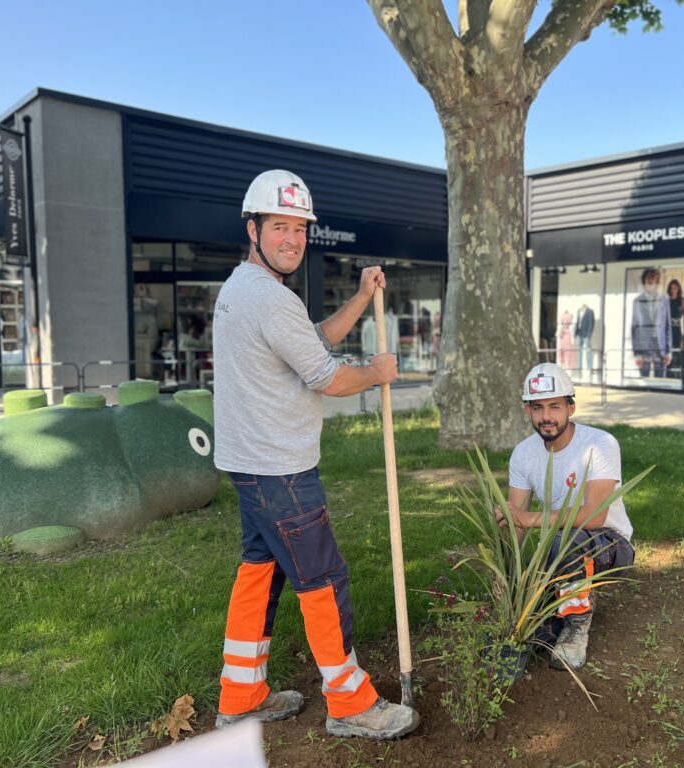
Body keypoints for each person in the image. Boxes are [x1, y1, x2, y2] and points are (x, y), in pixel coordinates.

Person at [212, 169, 419, 740]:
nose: (293, 239)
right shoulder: (268, 300)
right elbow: (326, 376)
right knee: (322, 578)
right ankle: (350, 702)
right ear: (253, 229)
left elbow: (315, 338)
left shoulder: (242, 291)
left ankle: (241, 693)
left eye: (300, 229)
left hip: (250, 465)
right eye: (280, 227)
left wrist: (359, 297)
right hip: (280, 468)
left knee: (259, 574)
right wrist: (377, 372)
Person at [497, 362, 636, 670]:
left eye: (555, 406)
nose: (546, 416)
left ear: (571, 407)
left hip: (610, 546)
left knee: (567, 540)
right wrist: (506, 574)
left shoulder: (599, 444)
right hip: (556, 550)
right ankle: (540, 631)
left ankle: (577, 628)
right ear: (527, 411)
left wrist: (528, 518)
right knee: (537, 628)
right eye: (538, 407)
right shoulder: (523, 453)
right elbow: (514, 521)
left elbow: (593, 517)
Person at [630, 268, 671, 378]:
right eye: (648, 277)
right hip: (643, 348)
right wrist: (636, 354)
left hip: (660, 347)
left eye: (653, 277)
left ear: (657, 279)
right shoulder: (637, 301)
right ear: (644, 280)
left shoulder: (664, 299)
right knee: (644, 381)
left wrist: (669, 352)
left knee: (661, 382)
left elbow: (667, 327)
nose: (650, 279)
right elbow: (634, 328)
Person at [666, 280, 684, 379]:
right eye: (672, 288)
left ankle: (678, 379)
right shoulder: (666, 301)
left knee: (678, 356)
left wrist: (683, 338)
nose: (674, 290)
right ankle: (668, 379)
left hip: (678, 331)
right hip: (668, 332)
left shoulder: (682, 301)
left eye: (676, 288)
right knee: (668, 356)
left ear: (679, 288)